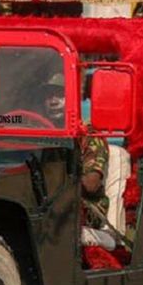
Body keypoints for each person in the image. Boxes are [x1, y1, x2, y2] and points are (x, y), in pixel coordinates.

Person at [41, 75, 123, 250]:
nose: (53, 101)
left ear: (72, 99)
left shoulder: (88, 136)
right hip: (47, 207)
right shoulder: (39, 133)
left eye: (59, 95)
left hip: (84, 211)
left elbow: (91, 184)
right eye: (48, 95)